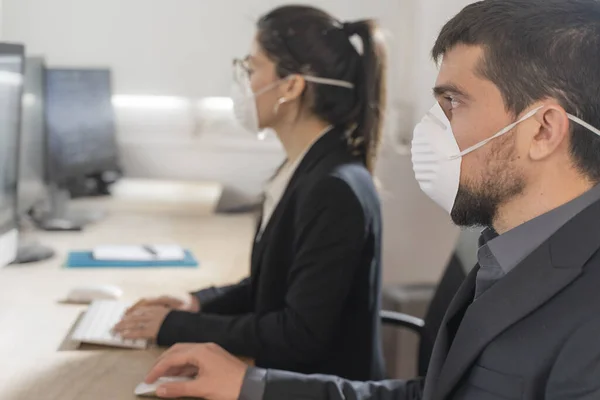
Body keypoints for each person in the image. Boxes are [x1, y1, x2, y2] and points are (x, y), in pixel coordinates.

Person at [139, 0, 600, 399]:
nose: (432, 128)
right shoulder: (508, 247)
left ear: (542, 130)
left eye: (452, 103)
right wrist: (253, 386)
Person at [114, 5, 388, 381]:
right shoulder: (304, 168)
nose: (243, 81)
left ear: (291, 86)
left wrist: (174, 327)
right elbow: (271, 286)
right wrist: (196, 303)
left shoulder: (333, 188)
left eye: (252, 68)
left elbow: (298, 334)